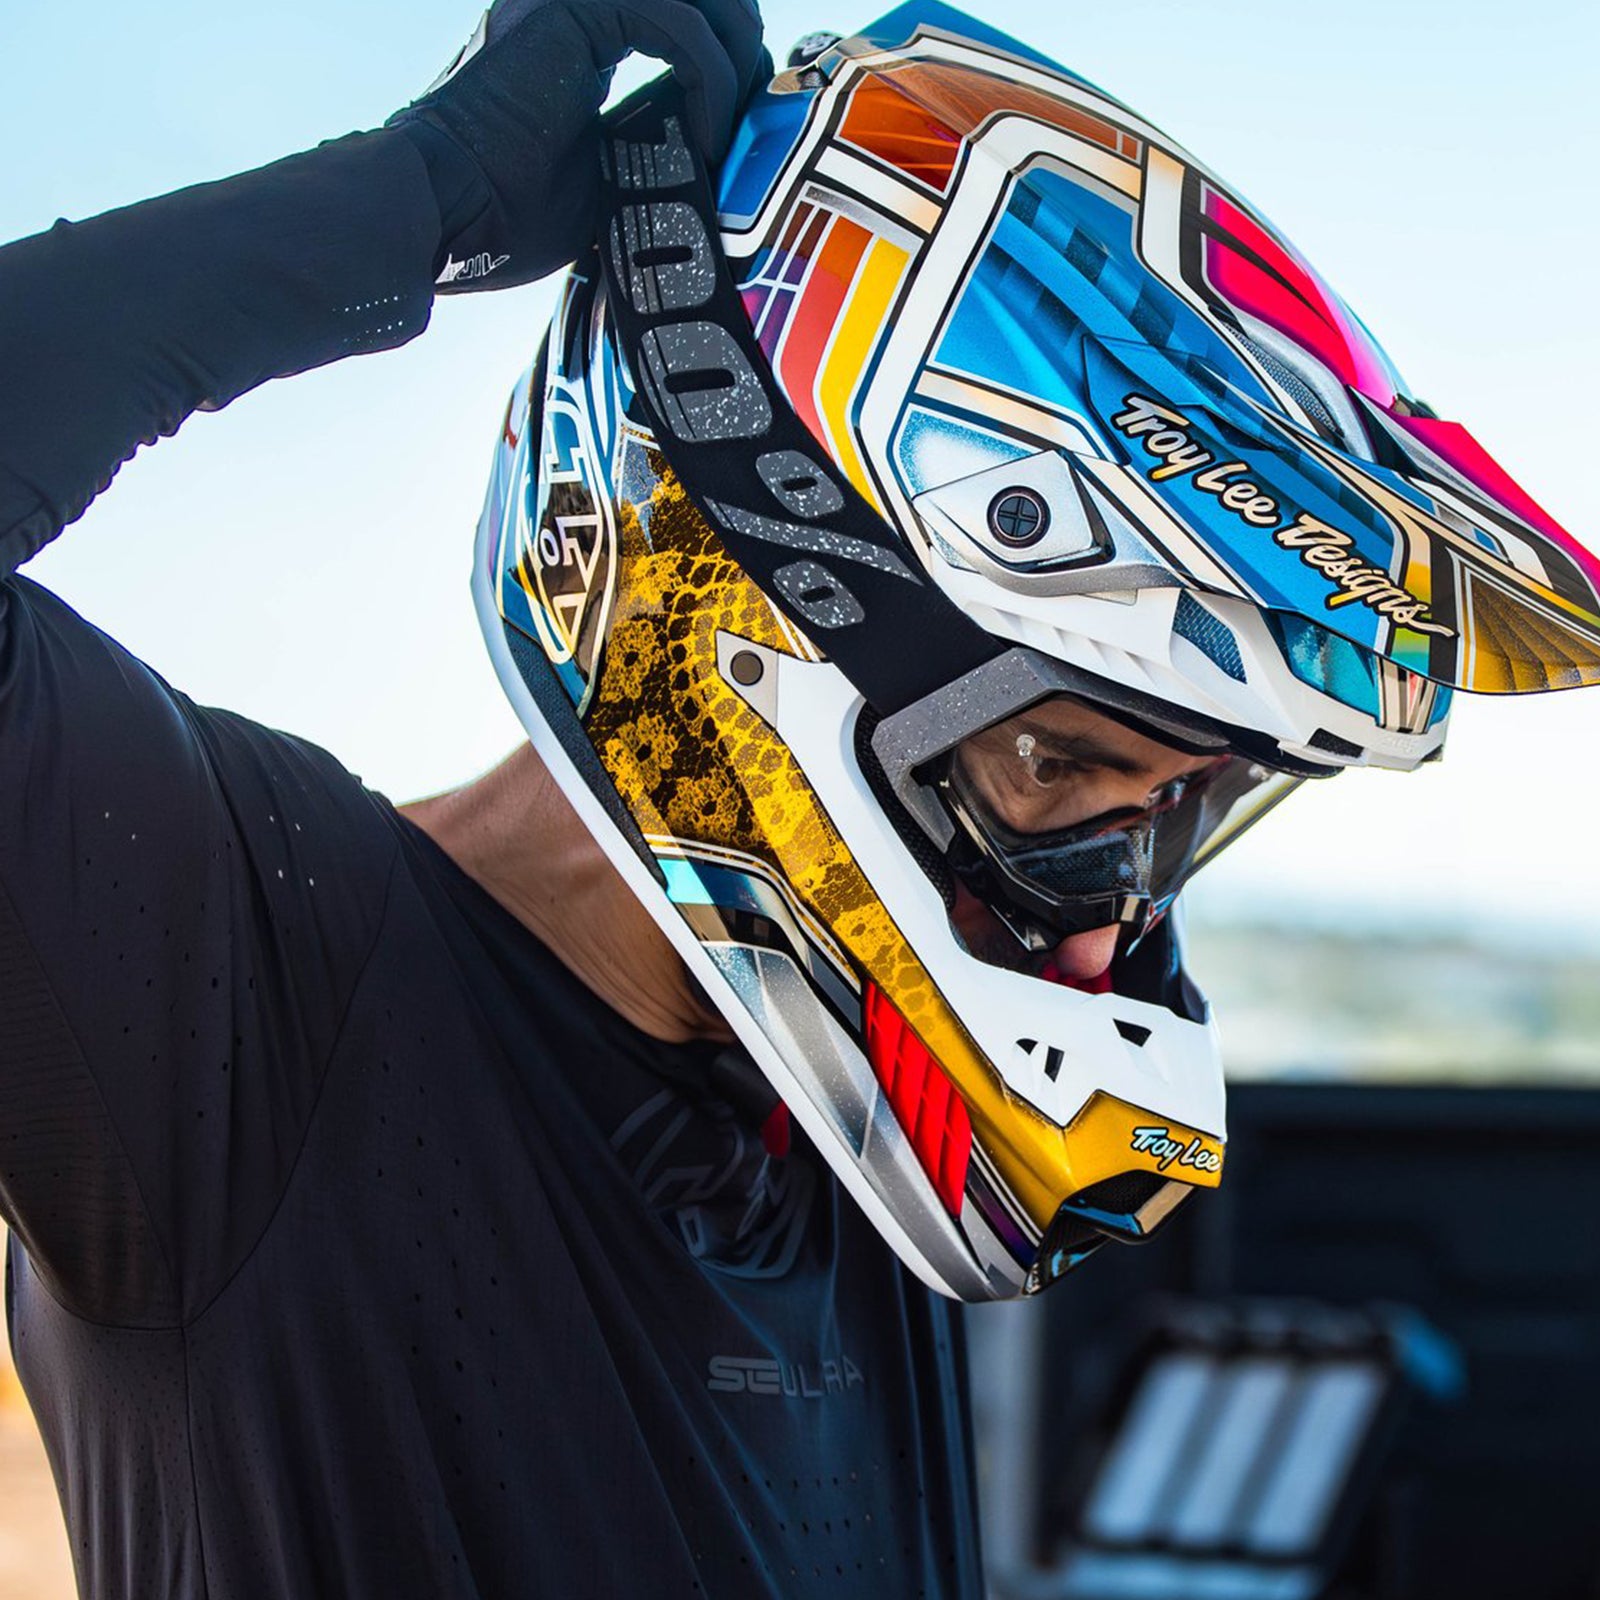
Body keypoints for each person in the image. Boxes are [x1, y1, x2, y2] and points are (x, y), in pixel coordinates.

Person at [3, 2, 1598, 1597]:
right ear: (755, 615)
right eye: (1057, 769)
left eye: (1172, 816)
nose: (1101, 947)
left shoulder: (827, 1108)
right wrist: (414, 196)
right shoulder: (249, 987)